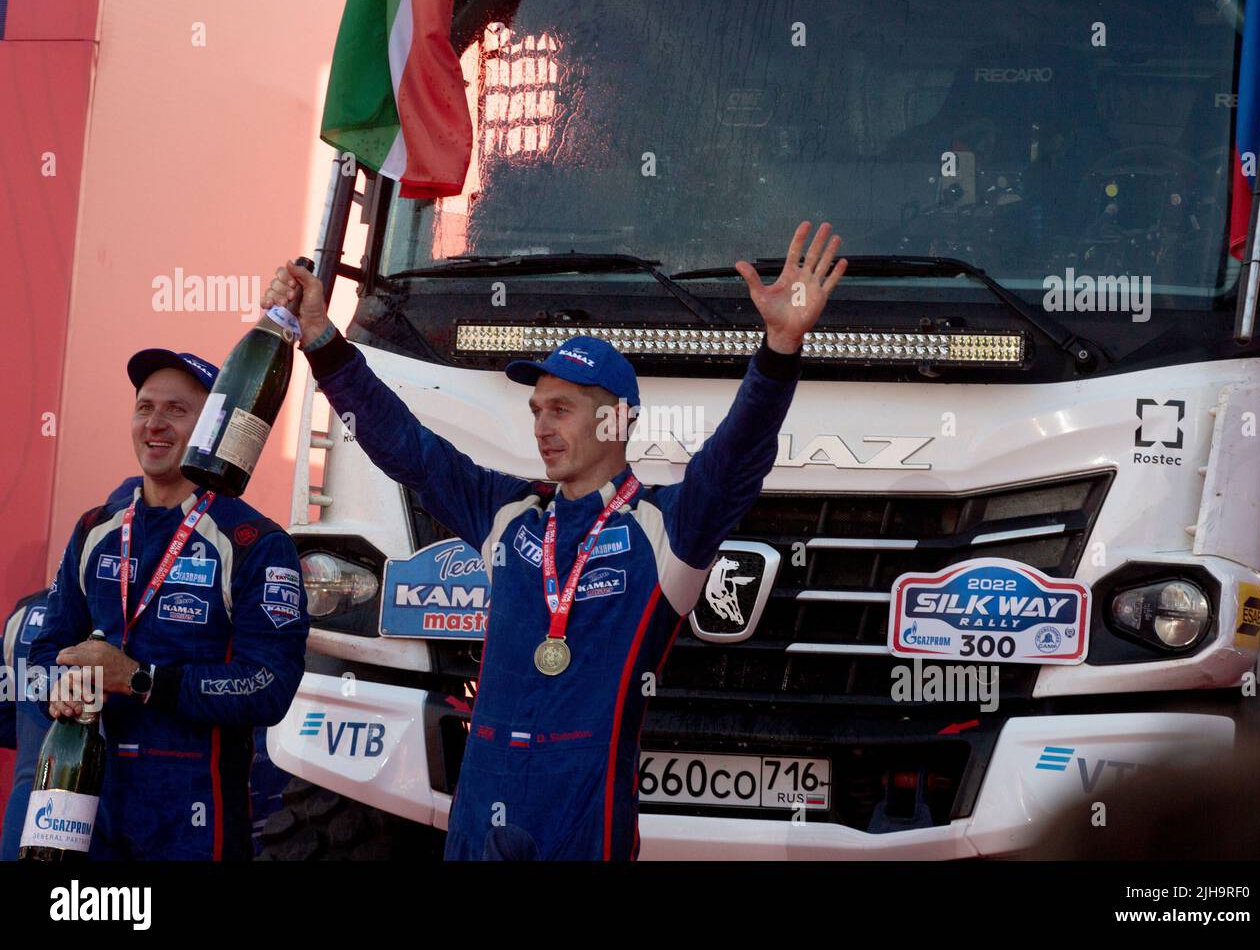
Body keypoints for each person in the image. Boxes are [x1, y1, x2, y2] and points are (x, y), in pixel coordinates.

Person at [268, 220, 847, 860]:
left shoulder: (667, 527)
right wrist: (321, 340)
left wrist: (778, 352)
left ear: (615, 419)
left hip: (582, 806)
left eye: (560, 409)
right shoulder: (509, 513)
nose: (541, 426)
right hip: (482, 796)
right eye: (537, 409)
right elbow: (404, 446)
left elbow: (737, 457)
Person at [27, 350, 309, 860]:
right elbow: (48, 649)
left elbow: (269, 686)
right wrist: (60, 686)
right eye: (144, 408)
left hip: (192, 811)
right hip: (86, 798)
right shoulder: (96, 528)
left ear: (213, 427)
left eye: (176, 411)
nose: (154, 424)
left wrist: (141, 678)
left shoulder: (254, 542)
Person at [0, 477, 139, 861]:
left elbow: (3, 719)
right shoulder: (134, 625)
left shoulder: (22, 615)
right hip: (102, 824)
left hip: (31, 817)